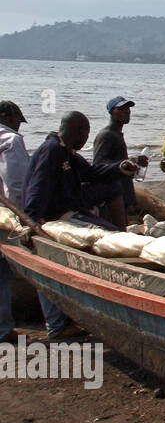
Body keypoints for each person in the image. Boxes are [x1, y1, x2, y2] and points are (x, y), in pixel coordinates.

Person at [23, 111, 138, 340]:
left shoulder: (66, 152)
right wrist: (32, 220)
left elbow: (91, 172)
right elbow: (38, 187)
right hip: (57, 219)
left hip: (70, 212)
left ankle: (64, 322)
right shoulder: (53, 151)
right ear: (77, 131)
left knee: (110, 233)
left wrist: (120, 168)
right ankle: (60, 325)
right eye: (85, 131)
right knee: (107, 238)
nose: (87, 137)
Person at [0, 100, 32, 344]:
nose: (18, 126)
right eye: (16, 120)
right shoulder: (11, 141)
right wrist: (24, 221)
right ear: (7, 117)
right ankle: (4, 331)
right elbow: (16, 186)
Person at [92, 96, 146, 229]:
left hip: (121, 196)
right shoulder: (106, 135)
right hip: (111, 199)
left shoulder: (116, 135)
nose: (127, 111)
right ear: (111, 112)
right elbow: (99, 167)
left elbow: (118, 165)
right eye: (121, 109)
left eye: (128, 108)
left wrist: (133, 162)